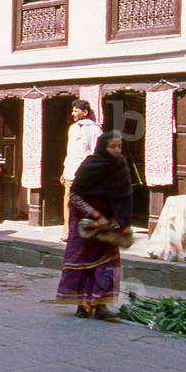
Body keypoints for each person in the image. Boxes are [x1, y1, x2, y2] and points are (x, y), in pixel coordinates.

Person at [55, 131, 132, 320]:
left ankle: (101, 305)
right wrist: (96, 215)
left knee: (107, 263)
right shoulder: (90, 165)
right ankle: (82, 304)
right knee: (82, 262)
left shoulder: (120, 165)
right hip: (85, 222)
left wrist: (118, 220)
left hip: (108, 224)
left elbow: (125, 195)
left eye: (119, 146)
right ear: (102, 147)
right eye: (112, 146)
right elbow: (74, 195)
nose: (116, 150)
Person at [60, 99, 103, 242]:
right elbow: (70, 152)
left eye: (76, 111)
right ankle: (68, 231)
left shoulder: (95, 130)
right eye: (72, 110)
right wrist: (64, 170)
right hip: (70, 172)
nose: (73, 113)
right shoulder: (72, 128)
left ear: (85, 112)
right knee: (68, 202)